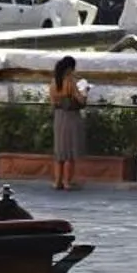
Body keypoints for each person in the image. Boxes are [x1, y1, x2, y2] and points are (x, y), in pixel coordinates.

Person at [49, 56, 88, 192]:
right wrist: (85, 91)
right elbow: (81, 100)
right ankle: (67, 182)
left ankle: (57, 181)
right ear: (70, 68)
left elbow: (53, 102)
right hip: (71, 117)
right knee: (69, 152)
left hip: (58, 117)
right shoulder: (70, 82)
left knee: (59, 151)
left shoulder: (54, 82)